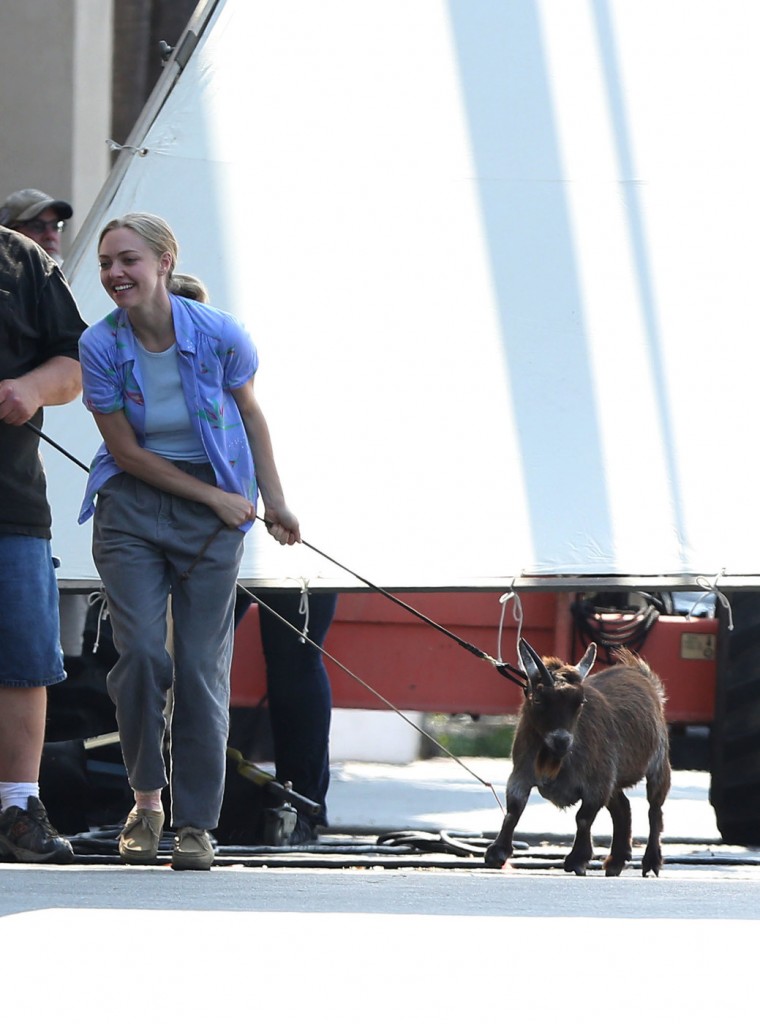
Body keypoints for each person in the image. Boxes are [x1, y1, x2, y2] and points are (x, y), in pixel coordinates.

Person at [77, 213, 300, 870]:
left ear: (164, 262)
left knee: (202, 669)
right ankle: (147, 801)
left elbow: (251, 415)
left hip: (215, 507)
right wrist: (215, 497)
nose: (116, 273)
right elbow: (124, 449)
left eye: (128, 260)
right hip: (134, 503)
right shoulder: (100, 346)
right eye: (107, 263)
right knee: (144, 656)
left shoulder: (221, 334)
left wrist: (276, 500)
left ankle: (198, 825)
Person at [168, 273, 336, 844]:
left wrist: (279, 502)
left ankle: (304, 808)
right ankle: (175, 803)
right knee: (191, 665)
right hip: (223, 528)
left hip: (272, 524)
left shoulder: (234, 357)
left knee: (287, 664)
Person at [0, 225, 85, 864]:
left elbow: (73, 364)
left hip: (12, 504)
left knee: (26, 661)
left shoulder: (22, 259)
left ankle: (17, 807)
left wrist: (30, 389)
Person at [0, 188, 73, 267]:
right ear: (8, 237)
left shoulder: (74, 276)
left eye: (55, 226)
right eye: (36, 226)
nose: (50, 236)